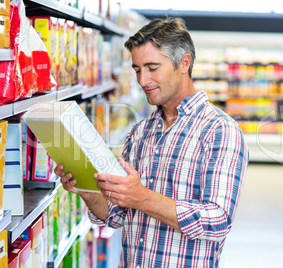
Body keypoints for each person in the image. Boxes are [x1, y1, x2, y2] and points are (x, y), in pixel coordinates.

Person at [54, 17, 249, 267]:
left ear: (184, 63)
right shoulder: (140, 132)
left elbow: (218, 221)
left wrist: (140, 197)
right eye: (137, 69)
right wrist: (86, 189)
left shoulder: (219, 130)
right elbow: (117, 216)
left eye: (152, 67)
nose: (142, 80)